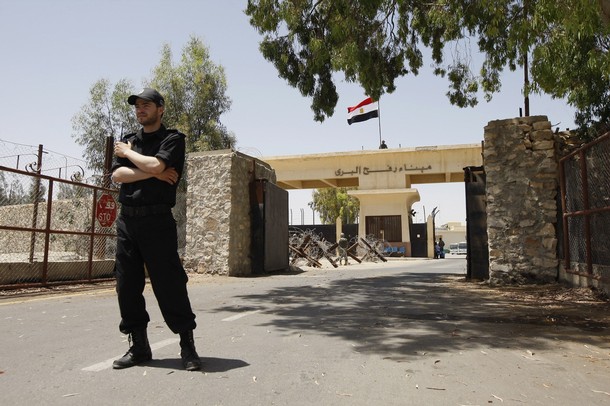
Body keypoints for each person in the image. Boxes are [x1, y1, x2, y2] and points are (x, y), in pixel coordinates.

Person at [110, 88, 201, 371]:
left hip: (158, 221)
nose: (140, 109)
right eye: (137, 105)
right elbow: (117, 175)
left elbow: (157, 163)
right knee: (126, 285)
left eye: (146, 105)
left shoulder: (172, 139)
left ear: (160, 109)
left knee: (169, 283)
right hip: (128, 221)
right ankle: (139, 347)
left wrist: (132, 156)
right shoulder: (130, 139)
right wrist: (154, 173)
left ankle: (187, 347)